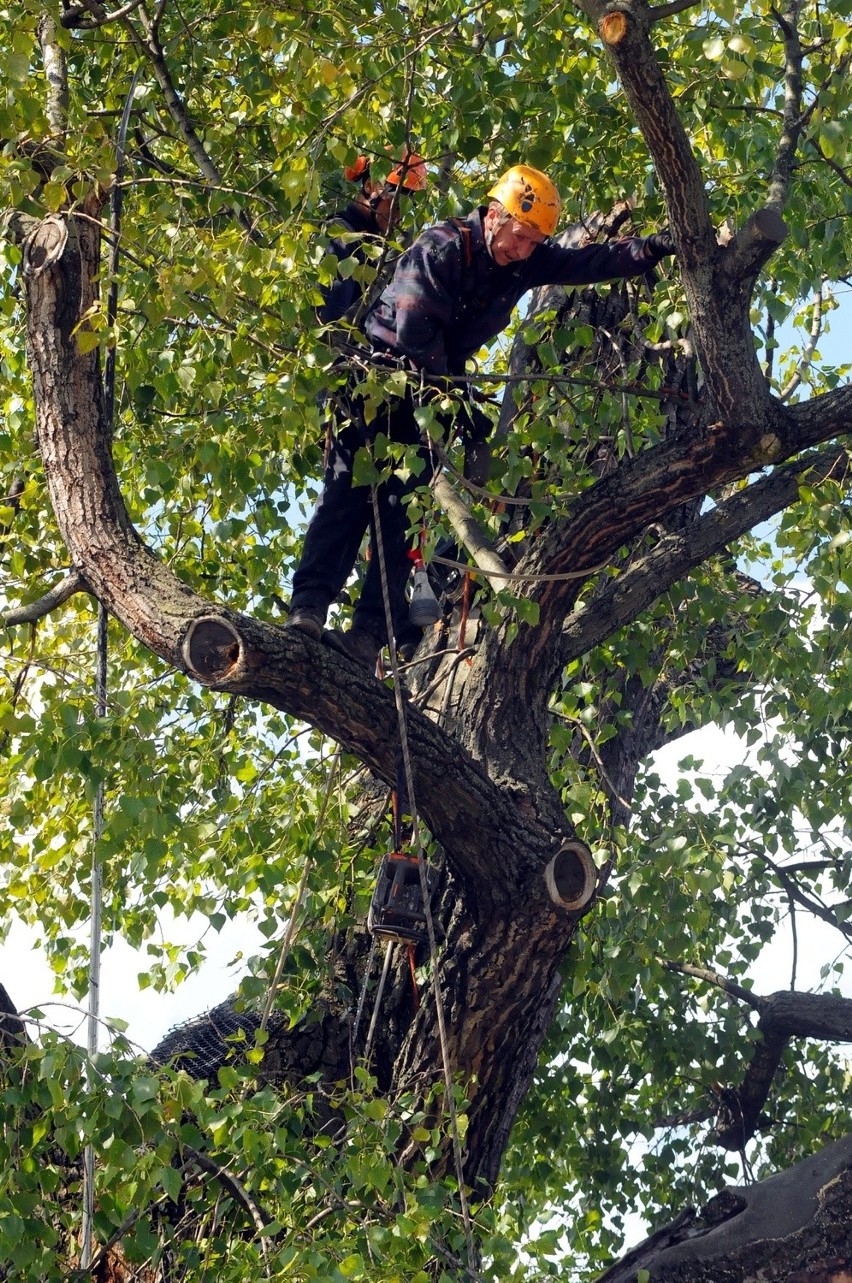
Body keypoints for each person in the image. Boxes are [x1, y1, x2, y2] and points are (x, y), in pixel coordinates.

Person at [286, 163, 675, 669]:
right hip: (378, 387)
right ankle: (308, 611)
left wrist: (648, 250)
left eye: (535, 242)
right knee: (345, 497)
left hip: (431, 398)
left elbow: (587, 262)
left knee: (399, 518)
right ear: (494, 215)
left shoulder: (522, 261)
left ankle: (366, 638)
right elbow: (413, 329)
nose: (524, 250)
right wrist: (455, 394)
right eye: (519, 236)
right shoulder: (442, 246)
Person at [317, 151, 428, 328]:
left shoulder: (375, 250)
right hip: (333, 349)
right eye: (396, 205)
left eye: (404, 209)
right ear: (370, 186)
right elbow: (333, 315)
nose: (398, 216)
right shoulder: (340, 233)